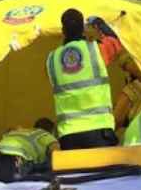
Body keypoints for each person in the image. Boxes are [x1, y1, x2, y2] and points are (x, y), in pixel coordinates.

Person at [46, 9, 124, 150]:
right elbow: (117, 42)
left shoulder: (52, 60)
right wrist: (102, 27)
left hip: (69, 136)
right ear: (83, 28)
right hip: (99, 132)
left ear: (63, 30)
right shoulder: (96, 50)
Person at [0, 118, 59, 183]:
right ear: (51, 131)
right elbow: (57, 157)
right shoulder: (47, 135)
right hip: (13, 163)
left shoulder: (20, 131)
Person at [112, 55, 141, 135]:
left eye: (126, 64)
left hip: (138, 138)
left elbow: (117, 119)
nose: (126, 71)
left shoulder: (134, 88)